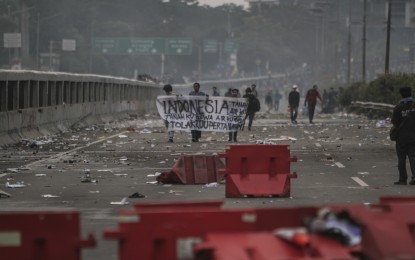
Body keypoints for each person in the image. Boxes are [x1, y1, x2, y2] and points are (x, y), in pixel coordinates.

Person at [391, 86, 415, 185]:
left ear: (401, 95)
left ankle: (402, 179)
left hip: (401, 137)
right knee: (413, 157)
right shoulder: (414, 106)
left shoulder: (398, 107)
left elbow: (395, 123)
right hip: (413, 136)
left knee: (401, 158)